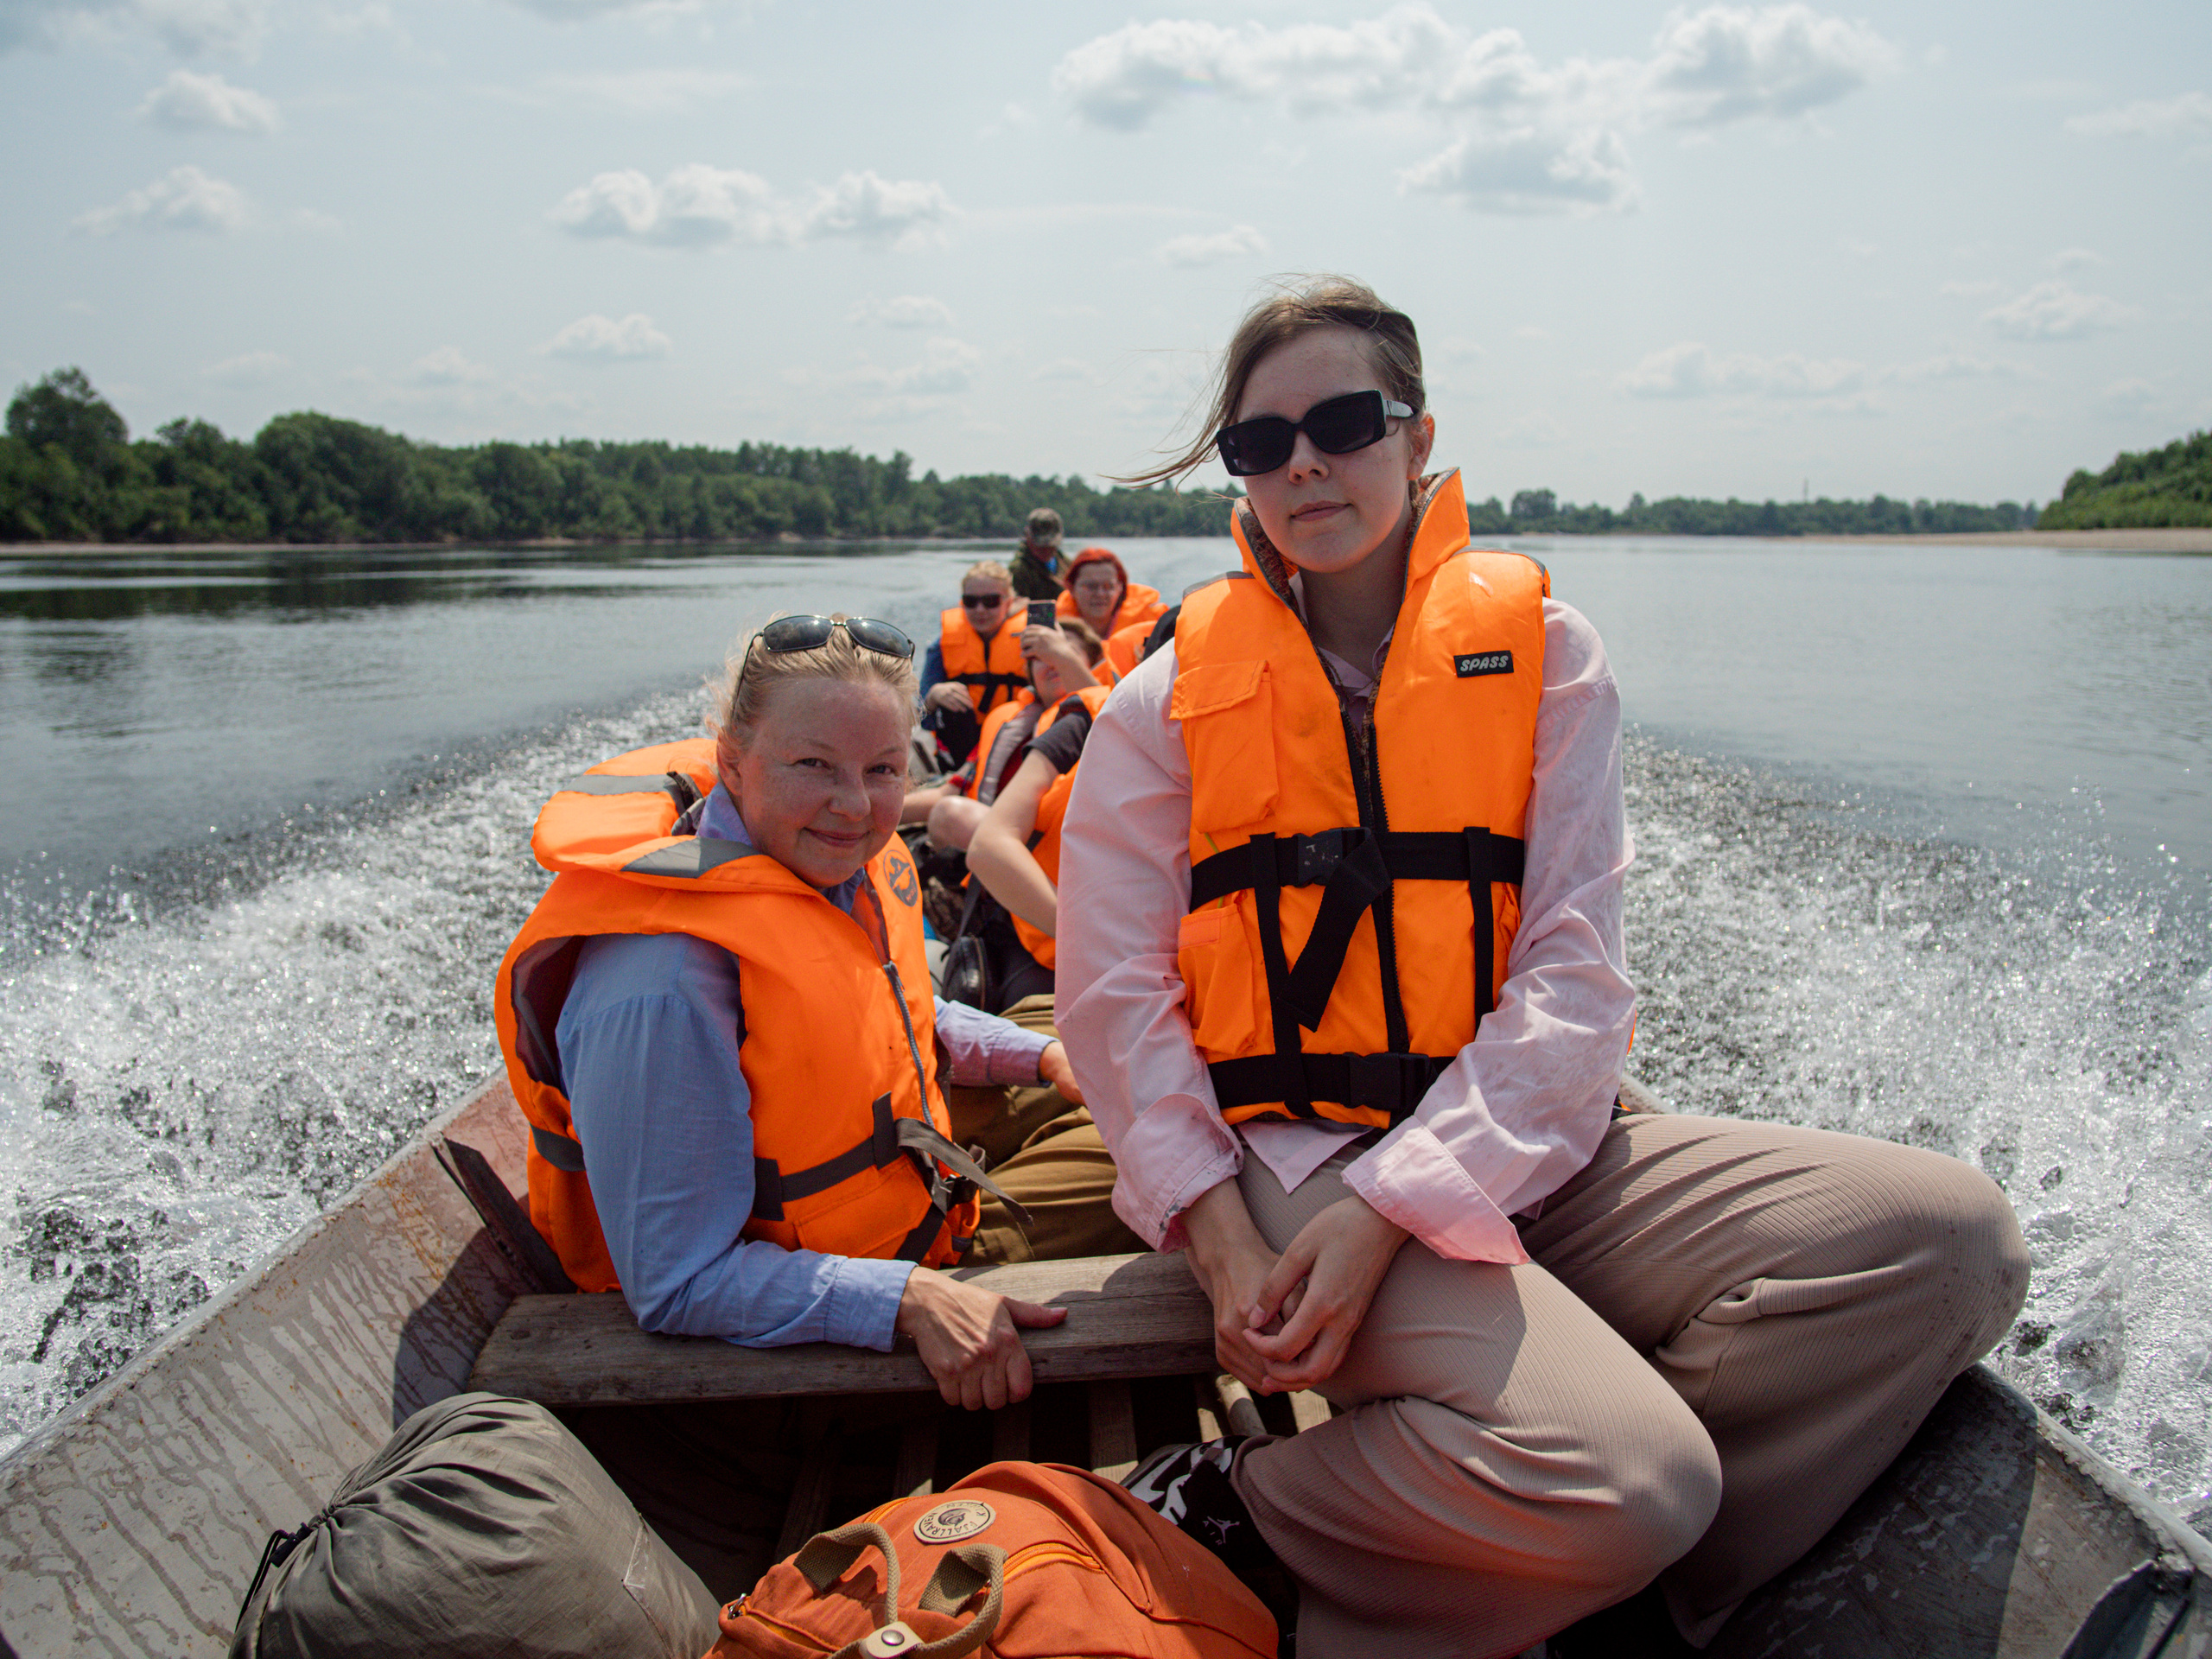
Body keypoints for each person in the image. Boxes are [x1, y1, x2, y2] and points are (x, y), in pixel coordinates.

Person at [1054, 278, 2029, 1656]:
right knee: (1639, 1479)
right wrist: (1217, 1234)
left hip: (1528, 1147)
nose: (1304, 465)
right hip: (1295, 1165)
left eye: (1342, 421)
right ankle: (1228, 1508)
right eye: (1261, 444)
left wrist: (1405, 1203)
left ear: (1420, 436)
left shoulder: (1549, 658)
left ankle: (1604, 1575)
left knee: (1950, 1242)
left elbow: (1574, 976)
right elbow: (1113, 1004)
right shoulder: (1162, 703)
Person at [493, 613, 1133, 1412]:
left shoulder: (828, 864)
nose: (854, 806)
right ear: (732, 759)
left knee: (1070, 1033)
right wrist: (908, 1300)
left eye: (882, 769)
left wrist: (1042, 1060)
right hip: (801, 1340)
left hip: (896, 1174)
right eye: (813, 766)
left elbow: (899, 1012)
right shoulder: (663, 984)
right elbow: (677, 1282)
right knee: (1138, 1149)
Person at [917, 560, 1027, 768]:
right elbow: (921, 714)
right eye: (971, 601)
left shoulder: (1028, 639)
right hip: (962, 743)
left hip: (1013, 736)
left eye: (991, 601)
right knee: (950, 703)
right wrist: (934, 695)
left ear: (1009, 603)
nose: (980, 609)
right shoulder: (941, 644)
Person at [1057, 545, 1166, 656]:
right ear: (1071, 588)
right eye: (1090, 586)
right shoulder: (1054, 631)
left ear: (1121, 588)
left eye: (1109, 586)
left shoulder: (1156, 626)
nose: (1100, 594)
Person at [1009, 506, 1067, 601]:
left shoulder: (1066, 563)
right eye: (1041, 547)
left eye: (1051, 546)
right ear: (1027, 537)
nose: (1046, 550)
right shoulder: (1019, 571)